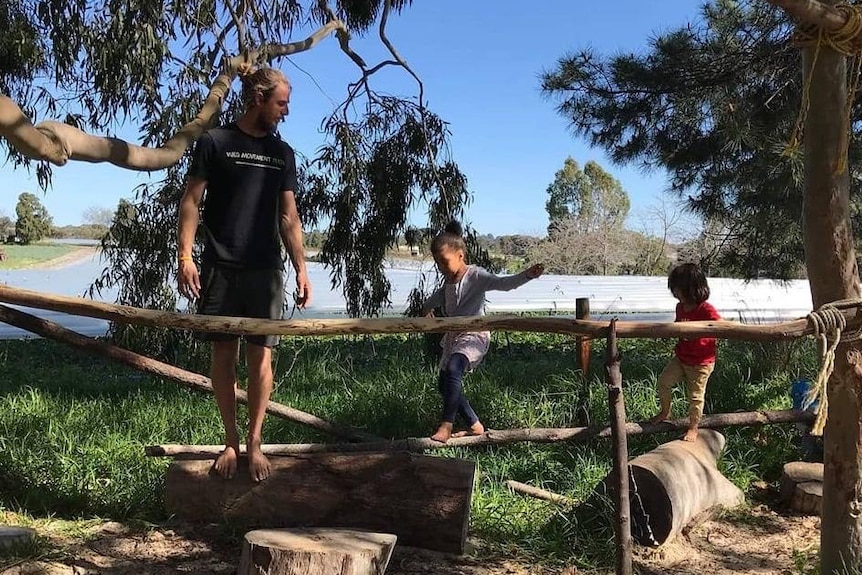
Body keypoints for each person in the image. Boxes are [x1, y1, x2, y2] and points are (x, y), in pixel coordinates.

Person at [176, 65, 311, 482]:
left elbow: (288, 217)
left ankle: (254, 442)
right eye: (281, 102)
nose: (286, 111)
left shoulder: (281, 153)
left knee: (261, 359)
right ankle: (230, 441)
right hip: (220, 265)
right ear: (258, 98)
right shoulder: (215, 142)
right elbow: (191, 202)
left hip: (265, 271)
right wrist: (185, 256)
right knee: (223, 356)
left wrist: (301, 268)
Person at [422, 221, 544, 443]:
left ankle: (446, 424)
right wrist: (427, 309)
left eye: (444, 261)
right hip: (453, 336)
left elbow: (504, 283)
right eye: (437, 263)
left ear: (460, 255)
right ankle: (475, 425)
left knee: (453, 368)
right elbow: (434, 298)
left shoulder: (475, 276)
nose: (440, 267)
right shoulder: (448, 282)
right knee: (444, 383)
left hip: (474, 335)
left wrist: (527, 275)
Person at [649, 262, 720, 442]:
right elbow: (678, 326)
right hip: (682, 357)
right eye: (673, 290)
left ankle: (694, 427)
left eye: (678, 289)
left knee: (695, 396)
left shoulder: (705, 308)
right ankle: (665, 412)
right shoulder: (680, 307)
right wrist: (667, 333)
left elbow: (720, 325)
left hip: (701, 362)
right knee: (664, 382)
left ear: (693, 288)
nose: (675, 293)